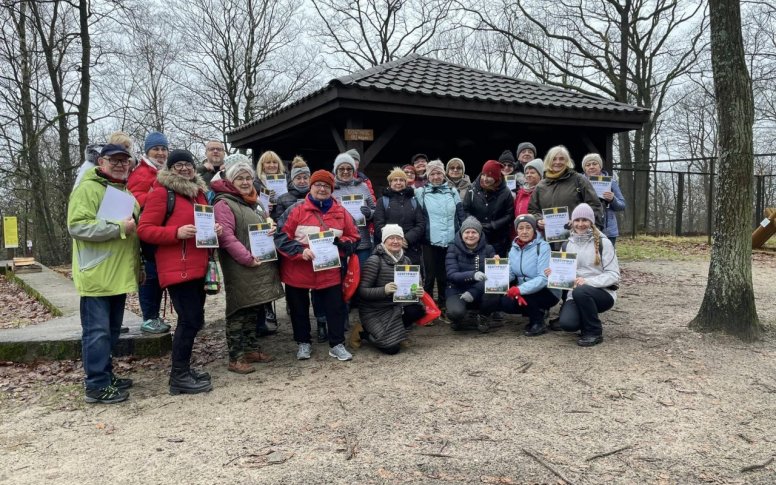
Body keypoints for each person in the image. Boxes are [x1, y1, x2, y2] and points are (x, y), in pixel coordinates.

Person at [137, 149, 222, 395]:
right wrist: (176, 233)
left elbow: (203, 226)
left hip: (199, 266)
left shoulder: (199, 195)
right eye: (178, 165)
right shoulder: (162, 193)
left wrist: (213, 228)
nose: (184, 168)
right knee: (189, 320)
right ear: (170, 169)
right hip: (177, 268)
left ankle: (184, 370)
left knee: (195, 320)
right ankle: (179, 376)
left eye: (188, 164)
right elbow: (144, 230)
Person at [68, 144, 140, 404]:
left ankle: (106, 376)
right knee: (96, 332)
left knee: (109, 331)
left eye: (125, 161)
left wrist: (138, 266)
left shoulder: (124, 191)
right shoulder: (88, 188)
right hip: (96, 274)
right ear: (101, 162)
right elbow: (77, 226)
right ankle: (96, 385)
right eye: (115, 160)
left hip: (117, 275)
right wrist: (118, 227)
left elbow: (133, 236)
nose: (121, 165)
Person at [274, 170, 360, 362]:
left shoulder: (341, 212)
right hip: (298, 271)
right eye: (318, 185)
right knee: (299, 309)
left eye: (326, 186)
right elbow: (280, 237)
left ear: (331, 189)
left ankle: (336, 344)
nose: (322, 189)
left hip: (329, 271)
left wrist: (342, 243)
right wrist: (300, 251)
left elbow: (355, 237)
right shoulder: (295, 210)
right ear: (311, 187)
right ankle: (303, 342)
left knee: (335, 308)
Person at [212, 159, 284, 374]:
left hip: (259, 262)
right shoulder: (224, 204)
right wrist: (246, 258)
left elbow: (265, 222)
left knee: (254, 307)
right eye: (239, 178)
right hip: (240, 265)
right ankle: (236, 356)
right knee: (238, 309)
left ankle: (251, 348)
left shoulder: (255, 202)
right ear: (230, 181)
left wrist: (272, 227)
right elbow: (226, 237)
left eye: (247, 178)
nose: (245, 182)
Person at [272, 157, 330, 342]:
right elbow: (281, 229)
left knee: (320, 295)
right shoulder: (285, 200)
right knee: (298, 297)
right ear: (292, 180)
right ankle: (302, 336)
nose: (303, 181)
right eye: (299, 178)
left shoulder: (327, 202)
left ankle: (321, 323)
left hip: (319, 254)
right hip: (296, 254)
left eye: (306, 178)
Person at [550, 203, 620, 347]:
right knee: (567, 324)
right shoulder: (566, 244)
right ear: (572, 222)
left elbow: (614, 275)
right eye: (577, 220)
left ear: (591, 222)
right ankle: (584, 315)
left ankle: (594, 331)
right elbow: (566, 275)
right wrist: (554, 274)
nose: (580, 224)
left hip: (602, 293)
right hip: (575, 293)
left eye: (584, 220)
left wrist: (587, 281)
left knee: (582, 291)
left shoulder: (603, 243)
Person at [354, 225, 426, 354]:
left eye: (398, 238)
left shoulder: (406, 260)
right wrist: (384, 290)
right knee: (392, 349)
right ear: (384, 241)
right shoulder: (374, 260)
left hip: (395, 306)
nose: (395, 241)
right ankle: (362, 332)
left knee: (417, 309)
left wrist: (419, 291)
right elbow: (362, 292)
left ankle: (399, 334)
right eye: (391, 238)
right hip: (374, 310)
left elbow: (416, 284)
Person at [127, 131, 171, 335]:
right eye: (156, 149)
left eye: (163, 149)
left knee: (161, 274)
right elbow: (133, 197)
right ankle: (149, 317)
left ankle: (154, 316)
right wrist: (155, 198)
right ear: (148, 151)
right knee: (151, 277)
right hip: (147, 232)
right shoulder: (142, 173)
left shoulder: (165, 170)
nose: (160, 153)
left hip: (162, 230)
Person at [415, 160, 466, 317]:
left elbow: (461, 215)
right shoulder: (421, 192)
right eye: (433, 174)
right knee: (429, 277)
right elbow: (418, 216)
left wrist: (463, 234)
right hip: (429, 241)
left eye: (439, 173)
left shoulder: (452, 191)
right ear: (428, 176)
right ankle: (429, 309)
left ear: (444, 175)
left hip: (450, 241)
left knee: (445, 276)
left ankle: (444, 306)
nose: (436, 177)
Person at [501, 214, 559, 336]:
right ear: (516, 230)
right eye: (521, 228)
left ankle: (538, 322)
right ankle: (536, 311)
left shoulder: (543, 246)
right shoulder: (513, 248)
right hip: (525, 289)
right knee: (505, 302)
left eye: (528, 227)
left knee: (528, 295)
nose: (524, 231)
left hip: (547, 290)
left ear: (534, 229)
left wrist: (519, 289)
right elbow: (511, 273)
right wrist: (497, 277)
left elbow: (543, 279)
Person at [528, 145, 604, 234]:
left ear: (567, 161)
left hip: (577, 236)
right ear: (549, 161)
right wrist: (538, 220)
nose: (557, 162)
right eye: (554, 159)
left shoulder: (579, 180)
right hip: (550, 239)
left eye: (561, 159)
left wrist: (579, 221)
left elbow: (594, 205)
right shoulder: (541, 185)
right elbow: (533, 210)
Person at [445, 217, 501, 333]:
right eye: (467, 232)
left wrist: (498, 265)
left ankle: (483, 316)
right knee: (455, 312)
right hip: (457, 290)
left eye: (474, 232)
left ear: (480, 234)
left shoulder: (489, 249)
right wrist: (473, 274)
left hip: (480, 290)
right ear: (461, 234)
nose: (470, 235)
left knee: (494, 291)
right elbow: (452, 275)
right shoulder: (452, 249)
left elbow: (494, 278)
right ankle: (457, 319)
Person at [253, 150, 286, 327]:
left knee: (284, 267)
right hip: (264, 232)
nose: (272, 165)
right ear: (262, 165)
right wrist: (265, 206)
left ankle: (288, 304)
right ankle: (267, 309)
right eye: (268, 163)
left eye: (274, 162)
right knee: (266, 270)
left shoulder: (285, 182)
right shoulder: (255, 184)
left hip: (282, 229)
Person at [373, 167, 426, 266]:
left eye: (401, 180)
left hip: (411, 248)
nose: (398, 182)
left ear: (405, 183)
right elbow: (378, 224)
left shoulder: (413, 200)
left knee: (410, 280)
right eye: (395, 180)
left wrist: (406, 239)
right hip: (388, 249)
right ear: (390, 183)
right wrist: (394, 241)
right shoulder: (382, 201)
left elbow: (420, 224)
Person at [462, 160, 514, 257]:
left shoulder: (506, 192)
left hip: (498, 238)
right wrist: (474, 224)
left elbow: (509, 214)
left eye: (489, 176)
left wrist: (494, 225)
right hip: (476, 236)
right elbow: (466, 209)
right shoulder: (472, 189)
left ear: (497, 178)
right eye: (483, 174)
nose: (485, 179)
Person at [332, 152, 376, 268]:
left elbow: (375, 210)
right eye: (341, 168)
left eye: (349, 168)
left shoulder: (363, 187)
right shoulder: (330, 189)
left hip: (362, 241)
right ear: (336, 170)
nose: (345, 171)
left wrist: (369, 214)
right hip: (340, 242)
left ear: (354, 170)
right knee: (342, 279)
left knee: (362, 277)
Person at [581, 153, 626, 247]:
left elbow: (622, 206)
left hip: (608, 230)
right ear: (584, 168)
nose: (591, 167)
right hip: (584, 228)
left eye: (594, 164)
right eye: (588, 165)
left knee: (607, 259)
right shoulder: (579, 183)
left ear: (600, 166)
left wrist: (612, 199)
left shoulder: (611, 182)